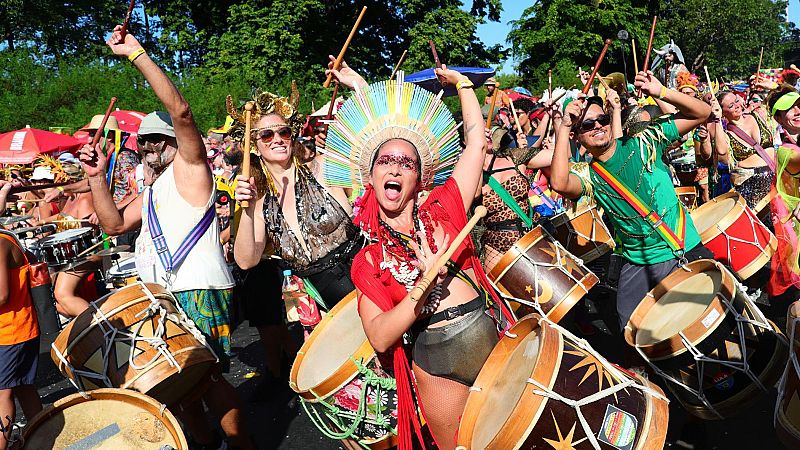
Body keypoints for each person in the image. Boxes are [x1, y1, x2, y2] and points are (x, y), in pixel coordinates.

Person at [323, 62, 513, 449]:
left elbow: (476, 144)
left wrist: (462, 86)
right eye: (385, 161)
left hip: (489, 333)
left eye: (406, 163)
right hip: (437, 362)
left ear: (419, 178)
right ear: (371, 176)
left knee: (521, 434)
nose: (395, 167)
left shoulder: (445, 206)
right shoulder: (368, 261)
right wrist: (424, 285)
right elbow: (379, 336)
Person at [79, 25, 252, 450]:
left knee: (207, 377)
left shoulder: (191, 169)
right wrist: (97, 177)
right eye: (145, 140)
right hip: (162, 293)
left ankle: (244, 445)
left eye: (159, 137)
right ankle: (206, 443)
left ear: (176, 142)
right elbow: (114, 225)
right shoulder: (153, 190)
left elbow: (182, 111)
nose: (150, 144)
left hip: (198, 287)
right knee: (175, 386)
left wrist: (136, 53)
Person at [550, 70, 712, 330]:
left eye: (601, 119)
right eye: (586, 125)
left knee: (706, 322)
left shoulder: (646, 141)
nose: (598, 127)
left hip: (681, 247)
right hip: (638, 261)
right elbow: (559, 183)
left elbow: (702, 113)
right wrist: (564, 126)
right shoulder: (590, 175)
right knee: (632, 328)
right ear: (577, 136)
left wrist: (662, 92)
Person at [233, 80, 363, 309]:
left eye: (284, 132)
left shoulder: (324, 168)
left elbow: (366, 145)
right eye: (266, 135)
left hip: (368, 279)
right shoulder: (261, 202)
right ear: (253, 145)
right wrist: (247, 209)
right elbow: (246, 261)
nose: (277, 139)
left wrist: (357, 84)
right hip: (327, 307)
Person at [0, 180, 43, 450]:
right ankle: (45, 434)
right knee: (23, 387)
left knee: (2, 393)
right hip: (16, 330)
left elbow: (1, 295)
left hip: (13, 331)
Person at [713, 90, 778, 209]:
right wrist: (716, 119)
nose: (737, 106)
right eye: (731, 106)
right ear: (723, 112)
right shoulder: (726, 134)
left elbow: (776, 101)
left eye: (736, 101)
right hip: (752, 186)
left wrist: (767, 87)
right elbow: (722, 152)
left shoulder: (758, 114)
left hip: (775, 177)